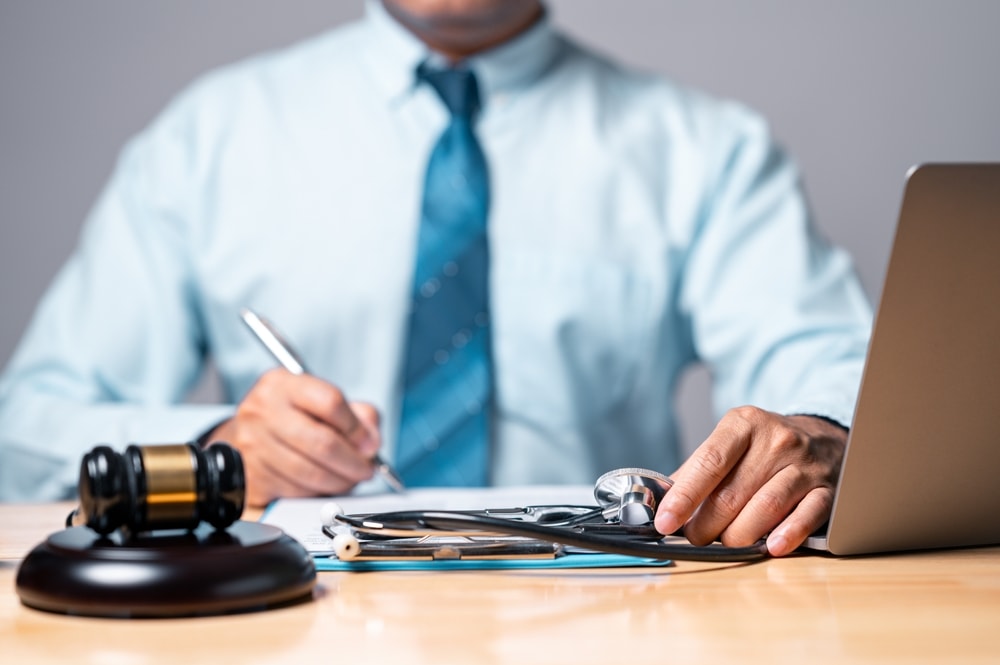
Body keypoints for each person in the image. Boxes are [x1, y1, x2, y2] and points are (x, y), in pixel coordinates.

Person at [0, 0, 872, 557]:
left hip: (609, 619)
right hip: (281, 621)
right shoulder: (207, 138)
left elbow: (833, 366)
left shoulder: (709, 149)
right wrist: (218, 450)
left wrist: (821, 430)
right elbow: (25, 433)